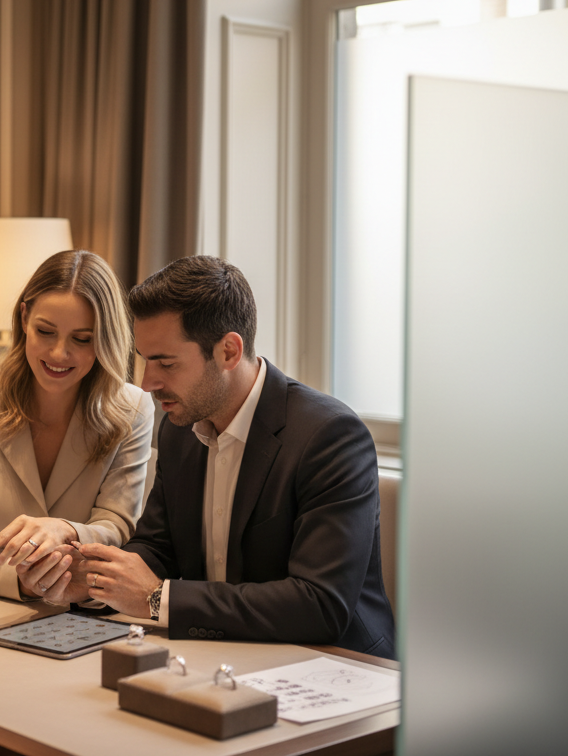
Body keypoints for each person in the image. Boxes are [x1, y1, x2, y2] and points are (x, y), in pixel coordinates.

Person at [22, 256, 397, 659]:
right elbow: (158, 547)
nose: (148, 382)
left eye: (165, 362)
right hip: (218, 652)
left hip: (336, 664)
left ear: (229, 351)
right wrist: (94, 581)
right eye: (146, 360)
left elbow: (319, 605)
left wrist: (155, 598)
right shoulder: (180, 427)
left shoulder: (329, 436)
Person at [0, 250, 154, 600]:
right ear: (24, 317)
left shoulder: (134, 408)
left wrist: (63, 529)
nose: (59, 353)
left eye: (82, 339)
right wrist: (20, 582)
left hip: (86, 613)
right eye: (46, 331)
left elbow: (118, 526)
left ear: (105, 338)